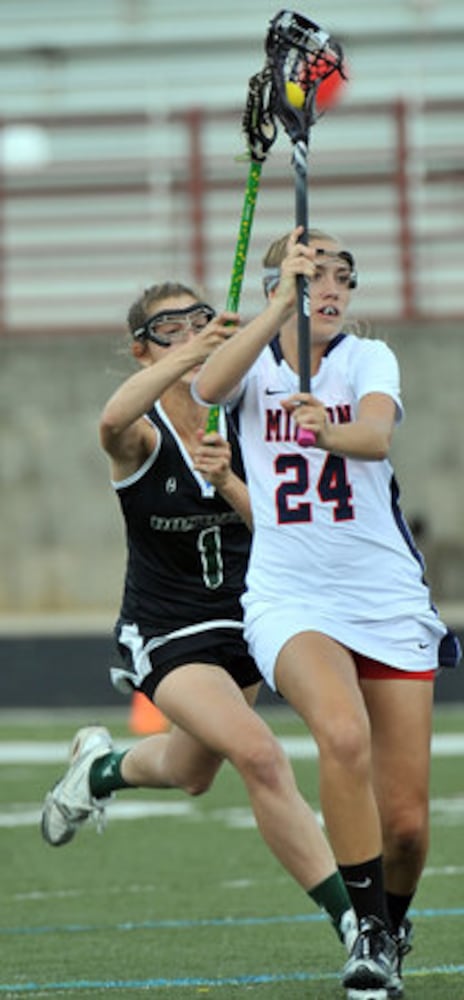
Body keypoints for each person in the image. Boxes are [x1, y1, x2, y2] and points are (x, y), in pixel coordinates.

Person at [40, 279, 357, 961]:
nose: (187, 333)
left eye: (199, 321)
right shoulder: (143, 433)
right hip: (169, 630)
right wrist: (192, 358)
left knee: (192, 770)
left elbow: (281, 532)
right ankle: (358, 925)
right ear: (140, 349)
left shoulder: (252, 422)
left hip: (249, 621)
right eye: (167, 328)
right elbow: (108, 425)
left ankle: (96, 772)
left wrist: (232, 483)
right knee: (260, 756)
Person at [194, 228, 461, 999]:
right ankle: (366, 931)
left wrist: (327, 431)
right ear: (285, 287)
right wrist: (279, 299)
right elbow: (208, 389)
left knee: (407, 826)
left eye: (344, 277)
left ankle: (395, 919)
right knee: (342, 734)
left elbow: (374, 436)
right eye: (317, 278)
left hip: (383, 597)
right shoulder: (253, 365)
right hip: (290, 596)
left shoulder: (367, 359)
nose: (334, 290)